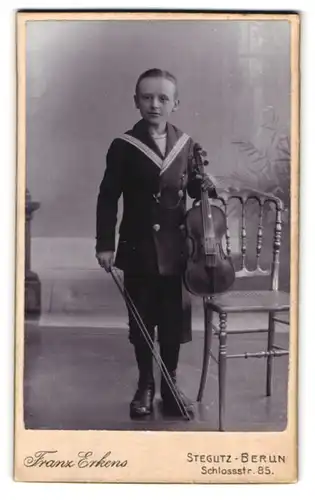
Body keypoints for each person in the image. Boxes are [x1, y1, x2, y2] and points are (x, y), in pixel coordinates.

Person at [96, 68, 217, 419]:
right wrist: (105, 243)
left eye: (163, 98)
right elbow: (107, 197)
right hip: (138, 249)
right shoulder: (124, 145)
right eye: (147, 97)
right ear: (136, 101)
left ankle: (170, 383)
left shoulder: (187, 144)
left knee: (174, 320)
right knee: (142, 321)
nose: (155, 104)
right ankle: (145, 384)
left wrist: (205, 185)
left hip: (178, 251)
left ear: (175, 103)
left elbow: (193, 189)